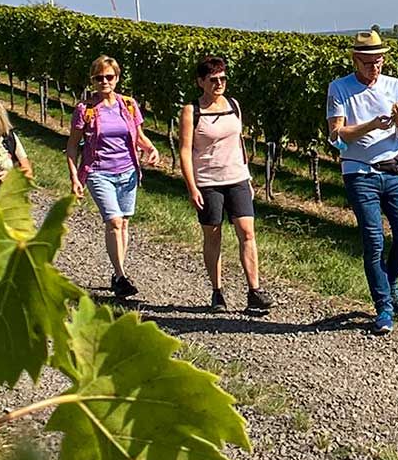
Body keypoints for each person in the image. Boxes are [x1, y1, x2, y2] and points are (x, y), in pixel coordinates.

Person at [326, 29, 398, 335]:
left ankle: (390, 283)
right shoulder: (340, 88)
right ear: (355, 60)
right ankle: (384, 307)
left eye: (378, 61)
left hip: (392, 171)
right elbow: (336, 136)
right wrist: (370, 125)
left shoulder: (395, 86)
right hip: (359, 173)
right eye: (368, 62)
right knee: (374, 240)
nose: (374, 67)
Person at [177, 55, 271, 315]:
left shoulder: (233, 105)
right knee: (213, 234)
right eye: (213, 79)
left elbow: (239, 142)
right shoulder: (191, 111)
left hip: (237, 178)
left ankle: (254, 291)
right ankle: (217, 291)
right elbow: (185, 151)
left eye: (223, 78)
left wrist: (248, 176)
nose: (219, 83)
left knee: (247, 233)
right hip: (208, 182)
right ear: (201, 82)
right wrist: (192, 186)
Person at [71, 56, 158, 300]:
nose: (104, 81)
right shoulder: (85, 110)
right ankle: (120, 276)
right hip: (98, 172)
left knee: (124, 223)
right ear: (92, 80)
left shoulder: (129, 105)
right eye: (99, 78)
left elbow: (138, 136)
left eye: (109, 77)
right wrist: (74, 178)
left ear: (117, 78)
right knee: (114, 221)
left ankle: (118, 274)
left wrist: (151, 149)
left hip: (128, 171)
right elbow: (71, 146)